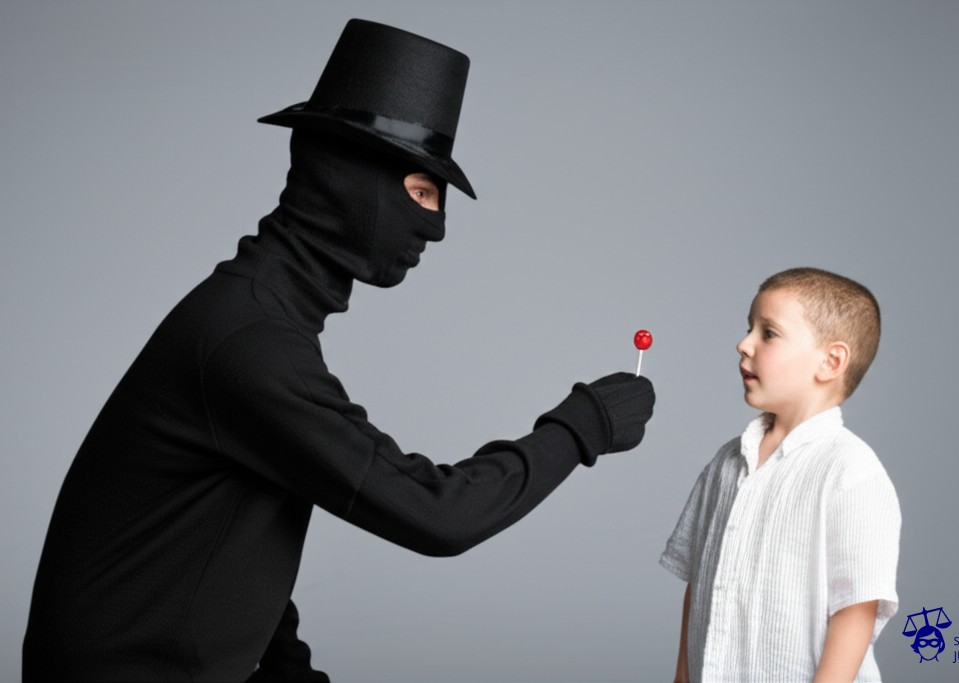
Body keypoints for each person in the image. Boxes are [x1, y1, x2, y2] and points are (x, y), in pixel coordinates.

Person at [23, 19, 655, 682]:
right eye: (421, 191)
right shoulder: (250, 345)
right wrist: (583, 423)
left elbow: (225, 539)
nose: (436, 227)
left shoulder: (256, 316)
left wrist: (291, 671)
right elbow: (437, 514)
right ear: (349, 179)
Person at [660, 267, 900, 683]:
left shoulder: (850, 470)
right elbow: (700, 584)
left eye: (768, 333)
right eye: (749, 328)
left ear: (831, 361)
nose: (744, 344)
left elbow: (856, 607)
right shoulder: (726, 463)